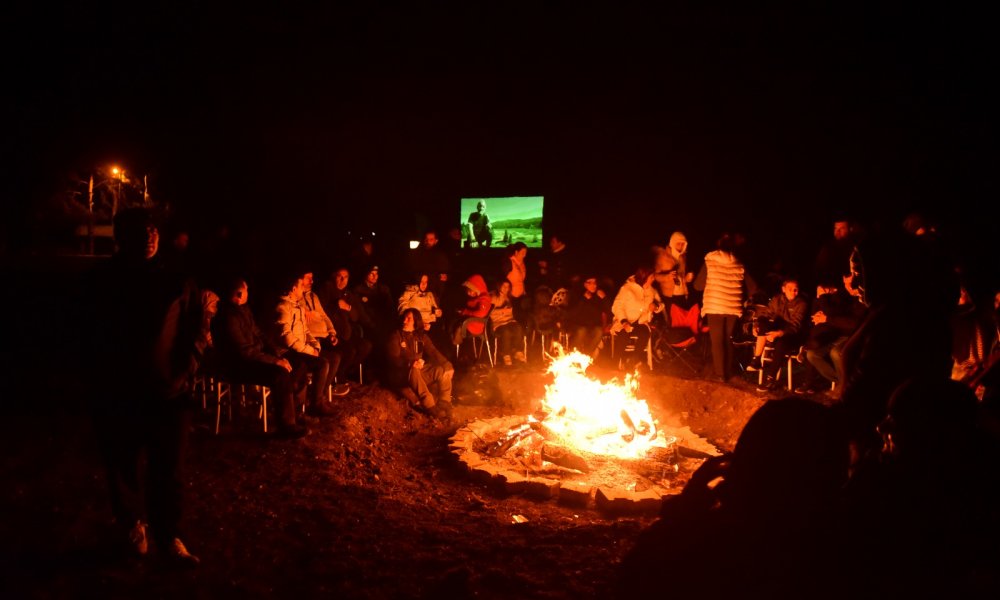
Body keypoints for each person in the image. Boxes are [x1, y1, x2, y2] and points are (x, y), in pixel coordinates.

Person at [81, 207, 203, 565]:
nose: (150, 236)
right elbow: (86, 333)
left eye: (153, 230)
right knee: (123, 466)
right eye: (140, 231)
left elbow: (196, 329)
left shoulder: (176, 279)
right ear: (122, 238)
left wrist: (184, 371)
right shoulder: (101, 281)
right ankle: (134, 525)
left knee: (169, 470)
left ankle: (169, 535)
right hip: (119, 392)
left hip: (169, 393)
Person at [211, 277, 309, 438]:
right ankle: (287, 426)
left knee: (297, 365)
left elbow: (259, 334)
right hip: (237, 365)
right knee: (280, 374)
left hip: (253, 358)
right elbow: (244, 352)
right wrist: (275, 361)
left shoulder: (244, 310)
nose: (248, 293)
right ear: (239, 294)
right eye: (246, 290)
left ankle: (294, 412)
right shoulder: (228, 317)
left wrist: (276, 353)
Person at [694, 233, 759, 382]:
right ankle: (728, 372)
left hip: (714, 305)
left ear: (718, 246)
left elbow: (698, 285)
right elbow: (753, 287)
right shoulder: (739, 263)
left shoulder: (709, 262)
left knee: (717, 341)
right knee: (727, 339)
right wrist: (744, 299)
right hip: (732, 307)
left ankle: (720, 375)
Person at [795, 273, 867, 395]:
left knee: (836, 353)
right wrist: (821, 314)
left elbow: (853, 323)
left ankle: (844, 385)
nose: (848, 287)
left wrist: (827, 317)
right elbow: (831, 312)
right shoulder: (845, 295)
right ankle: (843, 382)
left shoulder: (863, 299)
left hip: (854, 335)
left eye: (850, 284)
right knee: (812, 355)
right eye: (845, 284)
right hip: (838, 333)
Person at [273, 271, 334, 416]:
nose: (303, 289)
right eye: (301, 286)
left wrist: (315, 345)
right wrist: (308, 350)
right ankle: (314, 404)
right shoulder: (283, 308)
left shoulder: (297, 307)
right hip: (289, 352)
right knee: (319, 364)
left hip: (300, 349)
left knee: (327, 360)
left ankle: (315, 402)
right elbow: (287, 338)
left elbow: (306, 331)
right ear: (294, 289)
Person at [386, 308, 455, 420]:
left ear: (415, 321)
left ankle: (444, 403)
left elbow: (433, 351)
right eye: (404, 318)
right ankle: (430, 406)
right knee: (413, 370)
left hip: (418, 371)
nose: (404, 321)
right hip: (401, 373)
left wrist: (447, 364)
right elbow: (393, 359)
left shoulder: (420, 336)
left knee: (441, 371)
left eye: (409, 318)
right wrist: (410, 363)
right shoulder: (396, 335)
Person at [746, 278, 809, 391]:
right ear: (783, 289)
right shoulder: (777, 299)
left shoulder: (801, 304)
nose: (793, 292)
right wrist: (757, 326)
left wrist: (780, 333)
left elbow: (795, 326)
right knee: (763, 322)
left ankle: (771, 380)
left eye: (796, 289)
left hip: (792, 335)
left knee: (781, 343)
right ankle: (756, 360)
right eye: (790, 289)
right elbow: (766, 314)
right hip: (777, 330)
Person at [319, 267, 374, 383]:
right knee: (350, 351)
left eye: (346, 277)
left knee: (366, 346)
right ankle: (338, 376)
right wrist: (335, 306)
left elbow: (356, 316)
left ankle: (345, 371)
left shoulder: (348, 294)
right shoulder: (327, 289)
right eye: (340, 276)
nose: (343, 279)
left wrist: (348, 307)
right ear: (335, 276)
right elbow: (320, 313)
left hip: (347, 333)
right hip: (331, 333)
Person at [300, 269, 350, 396]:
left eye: (312, 278)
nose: (312, 281)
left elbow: (324, 316)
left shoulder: (313, 296)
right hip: (312, 339)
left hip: (324, 336)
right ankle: (319, 394)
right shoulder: (296, 299)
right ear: (299, 280)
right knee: (334, 358)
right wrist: (311, 314)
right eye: (308, 278)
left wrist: (332, 333)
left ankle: (326, 388)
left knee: (346, 350)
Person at [610, 266, 664, 371]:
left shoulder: (652, 291)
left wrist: (656, 306)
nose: (653, 279)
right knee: (623, 335)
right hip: (624, 320)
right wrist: (624, 322)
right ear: (645, 277)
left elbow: (661, 304)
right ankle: (614, 363)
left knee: (645, 333)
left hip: (640, 321)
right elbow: (616, 306)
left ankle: (632, 360)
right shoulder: (627, 288)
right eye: (651, 276)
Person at [564, 275, 611, 359]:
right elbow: (572, 313)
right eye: (590, 283)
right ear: (584, 284)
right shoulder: (577, 294)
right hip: (577, 324)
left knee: (599, 331)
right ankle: (572, 354)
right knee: (582, 331)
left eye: (595, 283)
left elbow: (608, 310)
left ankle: (586, 356)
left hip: (593, 325)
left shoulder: (598, 295)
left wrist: (604, 298)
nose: (594, 285)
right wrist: (583, 299)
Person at [652, 231, 694, 310]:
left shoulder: (683, 257)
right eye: (678, 244)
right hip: (669, 295)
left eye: (683, 244)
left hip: (682, 294)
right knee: (673, 320)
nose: (680, 246)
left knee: (683, 320)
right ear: (673, 243)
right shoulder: (663, 256)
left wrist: (687, 279)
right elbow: (655, 276)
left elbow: (681, 276)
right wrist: (667, 276)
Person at [490, 279, 526, 366]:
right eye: (504, 287)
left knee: (518, 328)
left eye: (508, 287)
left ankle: (517, 351)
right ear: (499, 287)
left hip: (509, 320)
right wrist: (503, 310)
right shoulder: (493, 297)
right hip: (498, 323)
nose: (507, 289)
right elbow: (491, 312)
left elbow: (510, 311)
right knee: (506, 332)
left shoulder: (509, 297)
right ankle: (506, 354)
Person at [451, 274, 492, 350]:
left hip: (474, 326)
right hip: (469, 323)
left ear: (477, 288)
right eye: (467, 290)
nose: (468, 293)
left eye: (470, 290)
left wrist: (465, 312)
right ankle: (453, 345)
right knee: (451, 320)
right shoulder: (476, 298)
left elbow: (481, 313)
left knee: (455, 324)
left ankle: (456, 346)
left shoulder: (484, 299)